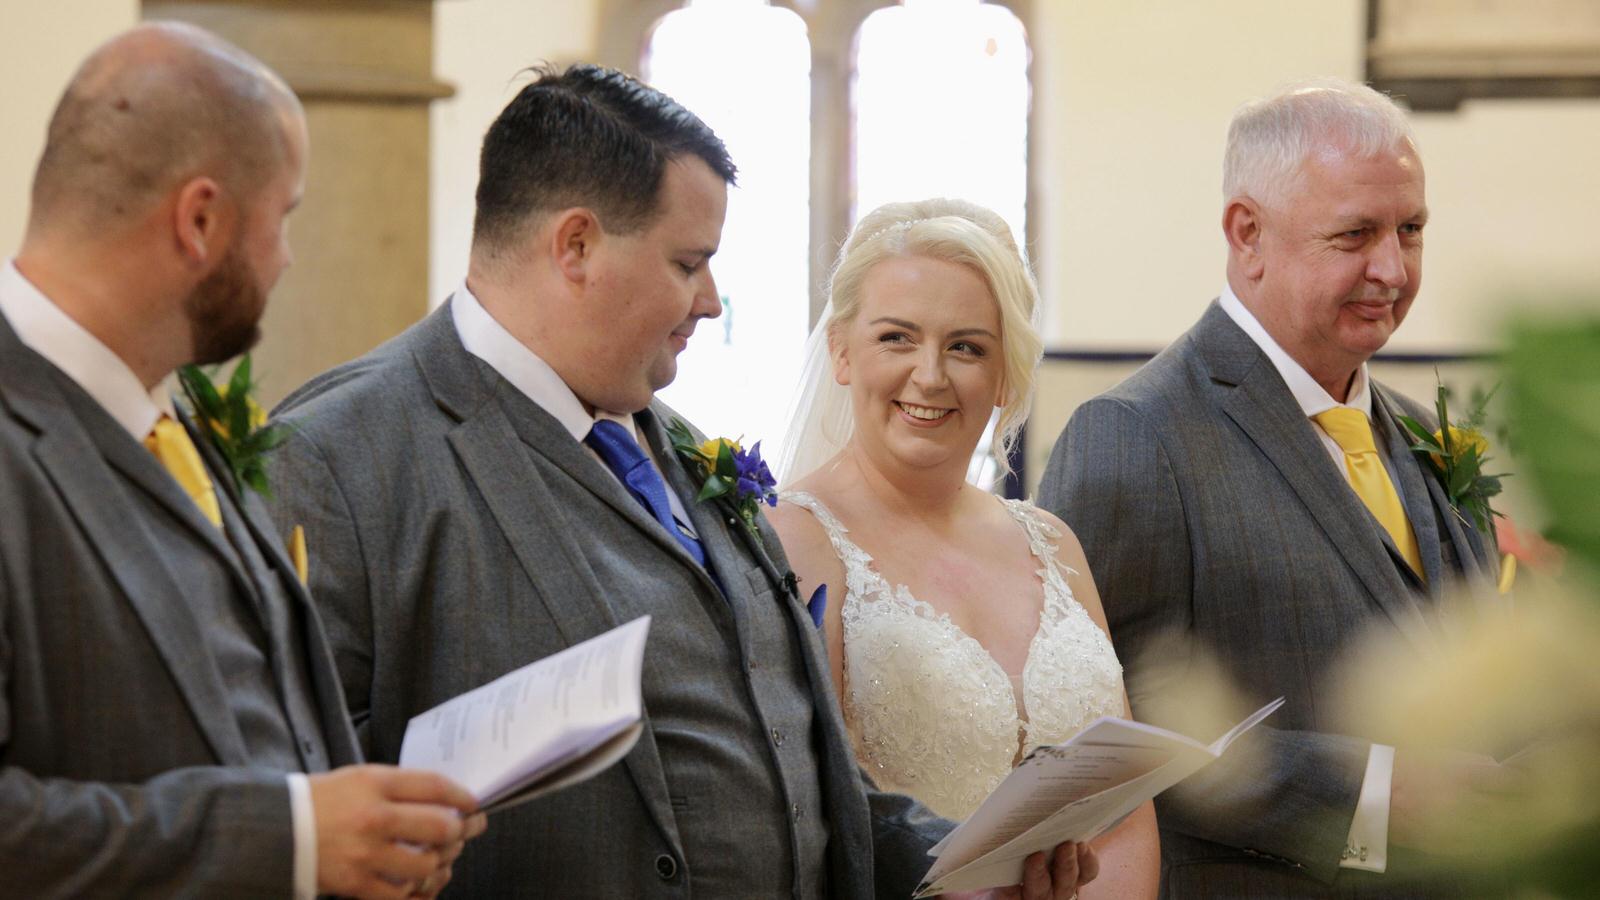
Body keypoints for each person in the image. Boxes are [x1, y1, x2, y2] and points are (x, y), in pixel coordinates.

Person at [264, 64, 1088, 899]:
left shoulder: (684, 450)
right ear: (576, 245)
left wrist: (967, 866)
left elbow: (789, 759)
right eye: (689, 263)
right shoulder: (340, 455)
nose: (711, 300)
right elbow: (297, 799)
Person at [0, 22, 484, 899]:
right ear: (200, 220)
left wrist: (361, 835)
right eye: (284, 216)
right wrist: (292, 838)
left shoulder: (164, 406)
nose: (289, 257)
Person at [1038, 78, 1504, 896]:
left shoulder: (1430, 439)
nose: (1391, 268)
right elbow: (1107, 731)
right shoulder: (1136, 435)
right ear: (1247, 232)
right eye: (1355, 233)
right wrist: (1379, 796)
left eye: (1412, 230)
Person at [769, 198, 1157, 898]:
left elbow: (1124, 811)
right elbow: (811, 809)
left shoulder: (1054, 544)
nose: (930, 376)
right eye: (897, 338)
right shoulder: (794, 541)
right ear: (841, 351)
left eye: (966, 346)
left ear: (1004, 372)